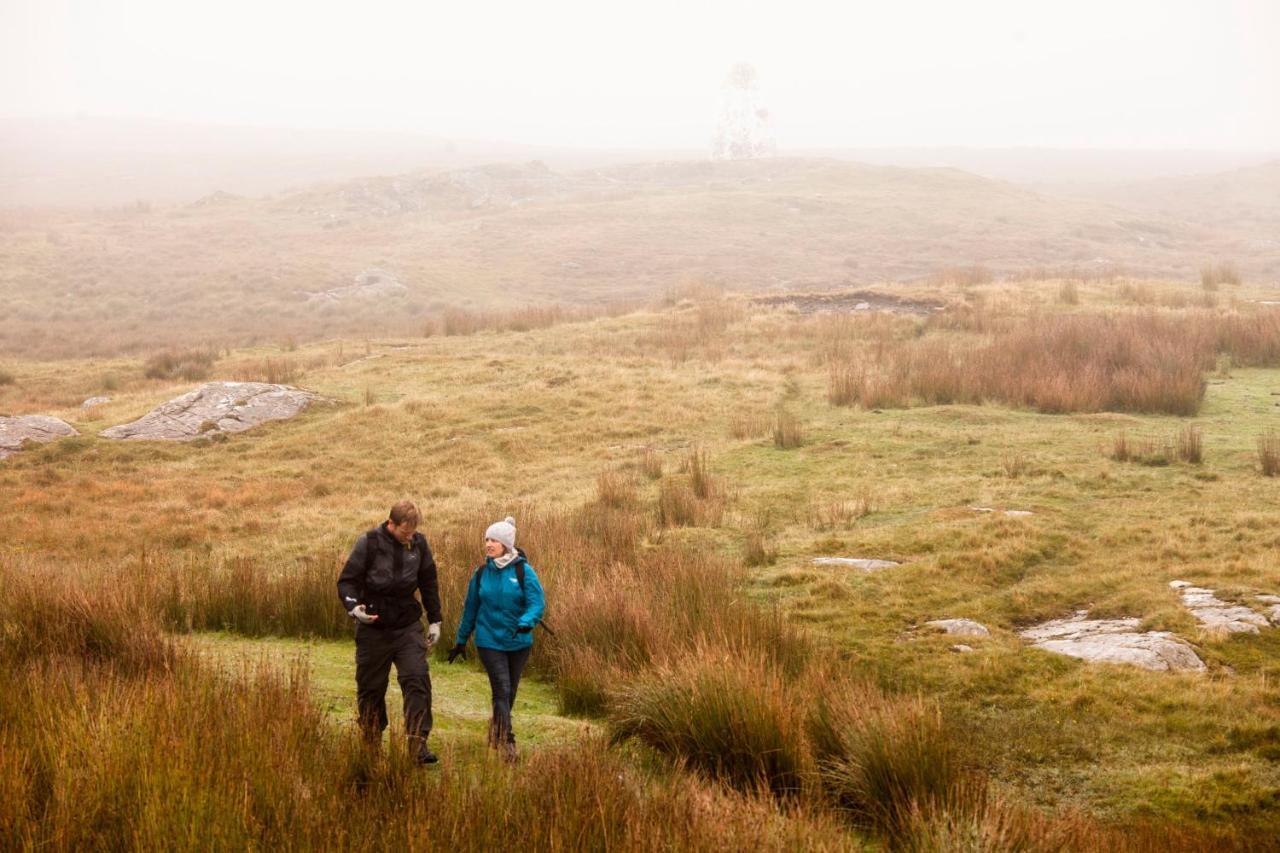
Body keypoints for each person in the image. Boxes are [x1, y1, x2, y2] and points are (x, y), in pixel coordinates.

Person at [336, 500, 443, 765]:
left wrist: (435, 621)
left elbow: (428, 582)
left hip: (407, 625)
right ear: (391, 523)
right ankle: (371, 742)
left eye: (413, 532)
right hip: (374, 626)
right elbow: (347, 581)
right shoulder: (369, 543)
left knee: (417, 678)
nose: (410, 537)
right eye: (405, 532)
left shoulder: (420, 545)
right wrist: (354, 608)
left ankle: (417, 744)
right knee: (371, 688)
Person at [447, 516, 545, 763]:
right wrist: (460, 640)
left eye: (494, 540)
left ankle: (497, 728)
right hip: (489, 640)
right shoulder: (481, 573)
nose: (488, 544)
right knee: (500, 689)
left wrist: (526, 622)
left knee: (510, 691)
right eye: (487, 539)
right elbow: (471, 607)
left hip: (518, 642)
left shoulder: (524, 571)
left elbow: (537, 603)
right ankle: (508, 742)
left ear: (506, 544)